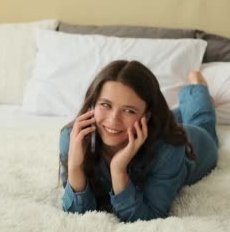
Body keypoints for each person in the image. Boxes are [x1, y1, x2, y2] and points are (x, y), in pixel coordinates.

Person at [59, 60, 219, 222]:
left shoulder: (169, 147)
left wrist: (118, 170)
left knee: (201, 120)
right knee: (167, 118)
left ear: (147, 116)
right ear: (93, 104)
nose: (113, 120)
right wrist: (75, 166)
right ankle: (167, 114)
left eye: (129, 110)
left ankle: (198, 87)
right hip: (149, 125)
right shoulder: (73, 138)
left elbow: (149, 218)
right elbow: (76, 214)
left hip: (196, 143)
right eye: (106, 105)